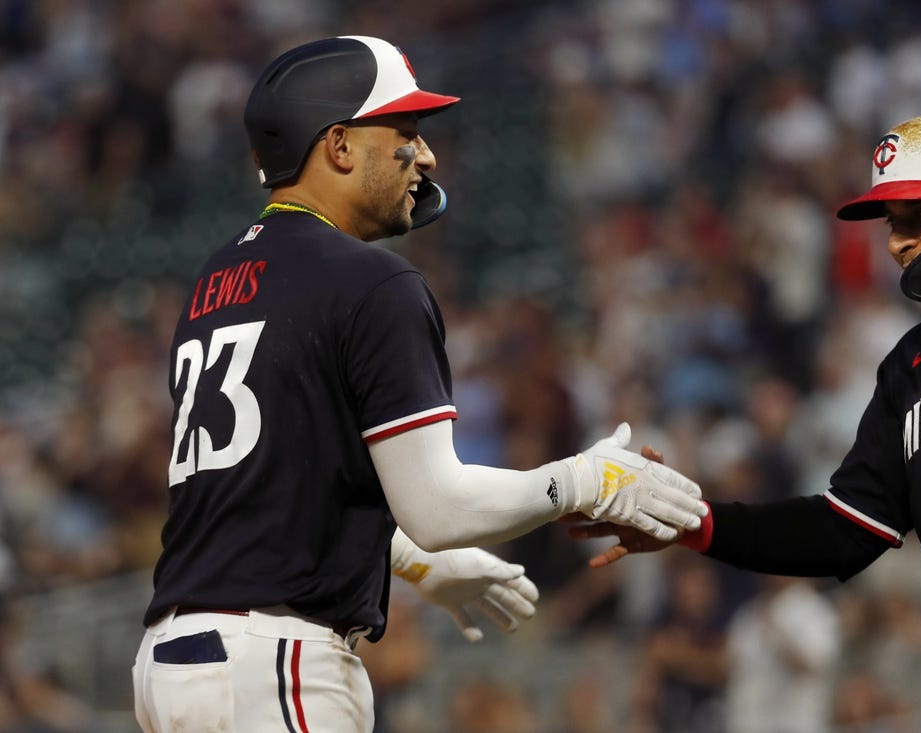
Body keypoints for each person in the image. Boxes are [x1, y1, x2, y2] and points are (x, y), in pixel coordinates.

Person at [131, 35, 707, 733]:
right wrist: (585, 479)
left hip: (173, 663)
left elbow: (269, 490)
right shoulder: (371, 281)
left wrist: (410, 563)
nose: (426, 156)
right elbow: (438, 507)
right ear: (339, 146)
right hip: (273, 665)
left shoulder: (214, 283)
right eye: (404, 131)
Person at [573, 111, 921, 733]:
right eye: (892, 223)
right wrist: (697, 522)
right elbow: (844, 530)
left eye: (916, 219)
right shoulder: (913, 365)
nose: (895, 243)